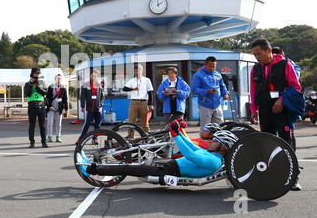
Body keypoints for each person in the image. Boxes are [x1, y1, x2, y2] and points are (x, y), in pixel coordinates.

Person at [79, 120, 237, 182]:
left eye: (215, 141)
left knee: (128, 167)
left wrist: (176, 135)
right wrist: (178, 133)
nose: (211, 142)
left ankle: (90, 168)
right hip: (170, 166)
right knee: (136, 159)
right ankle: (97, 163)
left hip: (168, 171)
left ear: (223, 147)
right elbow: (193, 147)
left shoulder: (214, 161)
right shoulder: (212, 155)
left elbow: (190, 154)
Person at [250, 38, 302, 190]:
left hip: (283, 111)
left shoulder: (286, 65)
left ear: (269, 51)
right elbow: (254, 90)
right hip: (265, 111)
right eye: (254, 55)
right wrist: (254, 109)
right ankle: (270, 176)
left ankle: (293, 178)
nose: (257, 57)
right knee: (267, 144)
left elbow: (295, 86)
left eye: (259, 53)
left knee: (287, 143)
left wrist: (281, 100)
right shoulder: (256, 68)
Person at [192, 56, 229, 134]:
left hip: (217, 104)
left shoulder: (218, 74)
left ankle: (218, 143)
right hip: (205, 104)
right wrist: (207, 91)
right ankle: (203, 144)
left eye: (214, 66)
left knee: (220, 125)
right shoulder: (198, 75)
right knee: (205, 127)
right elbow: (195, 89)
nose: (212, 68)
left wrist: (225, 94)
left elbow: (222, 86)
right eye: (210, 66)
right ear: (205, 65)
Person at [123, 64, 154, 137]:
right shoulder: (132, 80)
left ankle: (146, 138)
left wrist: (150, 104)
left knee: (145, 122)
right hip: (133, 102)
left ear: (141, 71)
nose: (137, 73)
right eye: (135, 71)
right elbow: (124, 88)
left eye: (138, 71)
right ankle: (131, 138)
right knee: (131, 121)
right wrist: (132, 89)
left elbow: (150, 92)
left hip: (143, 102)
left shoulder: (147, 80)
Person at [24, 68, 48, 148]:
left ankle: (44, 142)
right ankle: (32, 142)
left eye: (38, 74)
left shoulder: (42, 82)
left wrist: (38, 87)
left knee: (42, 125)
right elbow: (28, 94)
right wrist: (31, 85)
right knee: (32, 125)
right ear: (32, 74)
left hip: (41, 106)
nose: (37, 75)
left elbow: (45, 92)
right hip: (32, 106)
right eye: (36, 73)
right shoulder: (27, 84)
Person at [79, 69, 104, 143]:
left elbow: (102, 97)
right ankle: (81, 138)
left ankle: (95, 138)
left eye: (96, 76)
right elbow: (82, 97)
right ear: (91, 76)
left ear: (97, 77)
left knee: (97, 124)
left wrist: (101, 104)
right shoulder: (85, 85)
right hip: (90, 109)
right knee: (87, 124)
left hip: (98, 109)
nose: (94, 77)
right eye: (93, 75)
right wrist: (82, 106)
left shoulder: (99, 85)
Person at [46, 74, 68, 143]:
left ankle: (58, 136)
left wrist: (66, 109)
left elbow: (65, 99)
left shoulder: (63, 88)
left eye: (60, 79)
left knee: (59, 124)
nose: (59, 80)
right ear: (55, 79)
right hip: (51, 108)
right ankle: (49, 137)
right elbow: (47, 98)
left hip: (59, 108)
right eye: (57, 78)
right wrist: (49, 106)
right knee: (50, 123)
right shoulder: (50, 87)